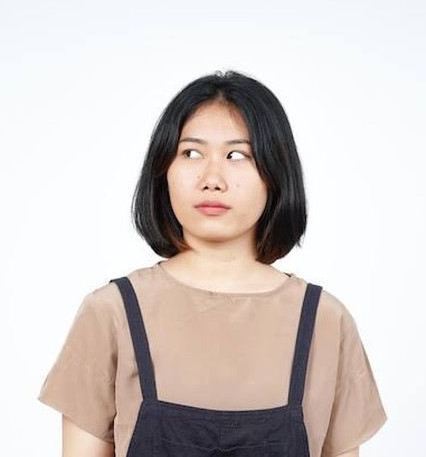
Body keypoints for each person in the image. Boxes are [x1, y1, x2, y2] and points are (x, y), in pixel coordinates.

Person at [37, 70, 387, 457]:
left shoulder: (324, 321)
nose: (212, 178)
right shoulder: (112, 312)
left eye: (237, 155)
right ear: (163, 171)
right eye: (191, 153)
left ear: (274, 172)